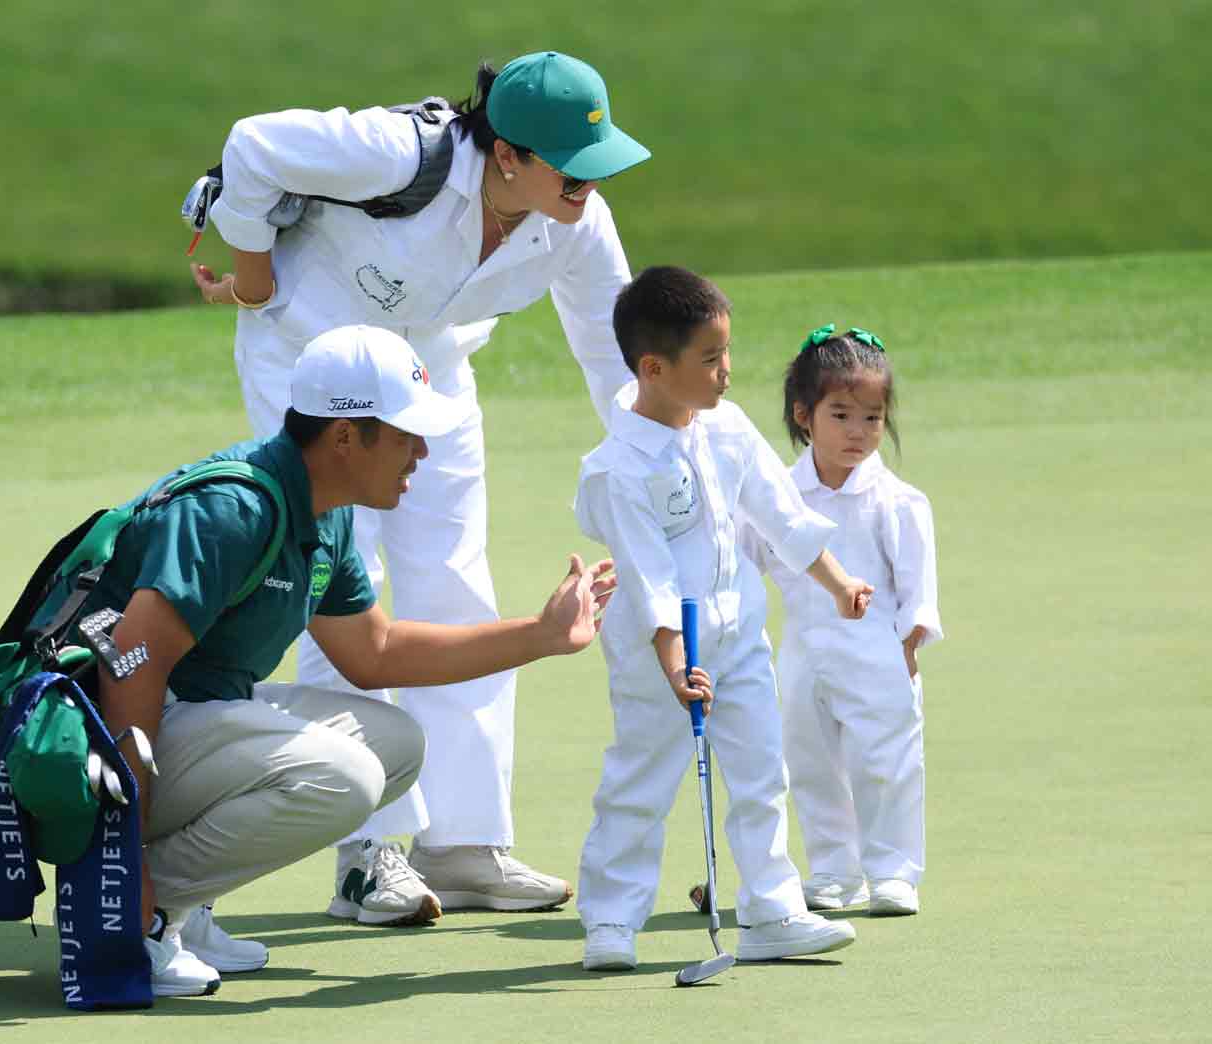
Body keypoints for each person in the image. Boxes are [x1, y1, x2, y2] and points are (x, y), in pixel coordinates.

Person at [189, 50, 650, 920]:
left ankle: (466, 843)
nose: (589, 183)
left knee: (456, 578)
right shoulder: (400, 153)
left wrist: (663, 460)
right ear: (508, 155)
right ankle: (367, 854)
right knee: (341, 580)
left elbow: (615, 352)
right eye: (571, 166)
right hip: (315, 370)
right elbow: (252, 147)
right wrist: (253, 274)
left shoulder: (578, 220)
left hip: (432, 379)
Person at [63, 324, 615, 997]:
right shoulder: (234, 510)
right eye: (407, 432)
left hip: (186, 721)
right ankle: (132, 913)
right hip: (100, 744)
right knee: (343, 778)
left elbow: (374, 651)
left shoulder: (325, 513)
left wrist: (542, 633)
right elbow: (130, 664)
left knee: (396, 745)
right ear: (346, 435)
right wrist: (128, 857)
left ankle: (182, 909)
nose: (421, 451)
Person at [571, 267, 873, 971]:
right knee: (641, 780)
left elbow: (781, 517)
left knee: (763, 773)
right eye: (710, 359)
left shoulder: (727, 428)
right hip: (659, 659)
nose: (727, 373)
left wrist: (836, 583)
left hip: (738, 642)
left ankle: (771, 910)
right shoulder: (616, 469)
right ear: (653, 368)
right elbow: (646, 578)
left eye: (727, 354)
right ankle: (612, 919)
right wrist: (676, 665)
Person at [740, 324, 942, 917]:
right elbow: (746, 558)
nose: (859, 432)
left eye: (873, 418)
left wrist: (907, 645)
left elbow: (917, 587)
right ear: (804, 415)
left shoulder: (898, 501)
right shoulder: (776, 495)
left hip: (878, 653)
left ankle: (894, 871)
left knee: (887, 764)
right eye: (841, 415)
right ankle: (833, 869)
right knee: (810, 763)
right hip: (801, 652)